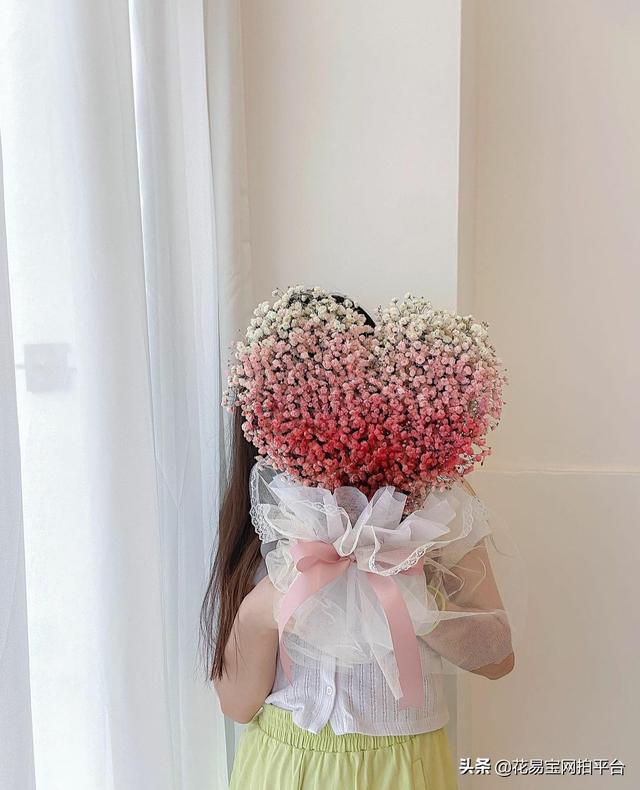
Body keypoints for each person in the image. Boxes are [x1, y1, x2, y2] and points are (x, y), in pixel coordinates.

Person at [200, 294, 516, 790]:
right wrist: (268, 605)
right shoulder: (268, 510)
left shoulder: (439, 509)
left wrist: (418, 602)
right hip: (280, 763)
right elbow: (237, 705)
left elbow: (499, 659)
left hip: (402, 767)